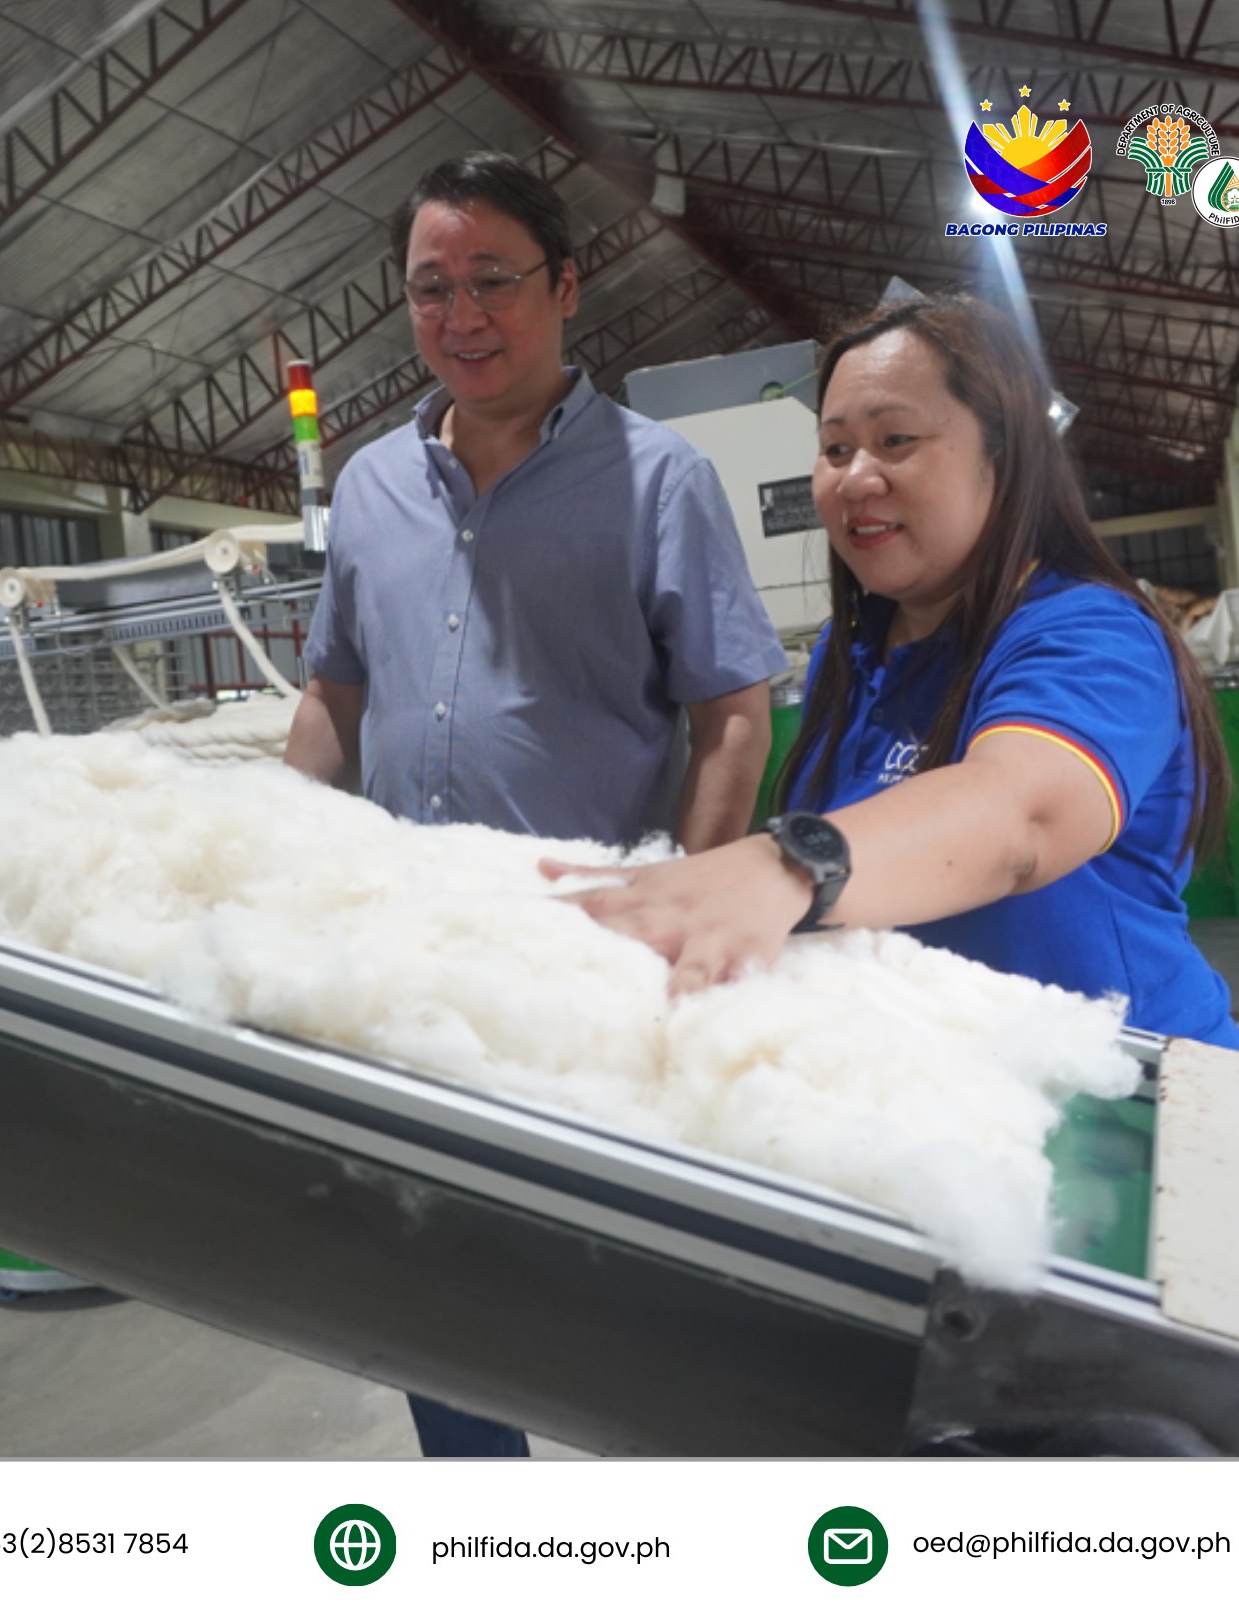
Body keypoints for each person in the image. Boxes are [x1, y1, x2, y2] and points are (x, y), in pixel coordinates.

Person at [285, 151, 788, 1453]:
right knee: (433, 1283)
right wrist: (276, 863)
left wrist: (693, 901)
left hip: (589, 954)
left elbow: (732, 710)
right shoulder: (369, 489)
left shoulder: (658, 477)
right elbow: (333, 698)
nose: (461, 318)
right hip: (407, 958)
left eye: (492, 283)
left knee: (635, 1290)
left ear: (566, 287)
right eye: (430, 289)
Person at [550, 294, 1239, 1054]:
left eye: (896, 439)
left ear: (1002, 456)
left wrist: (784, 866)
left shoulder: (1093, 637)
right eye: (837, 448)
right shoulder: (848, 656)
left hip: (1125, 1095)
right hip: (951, 1101)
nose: (855, 479)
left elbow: (1018, 815)